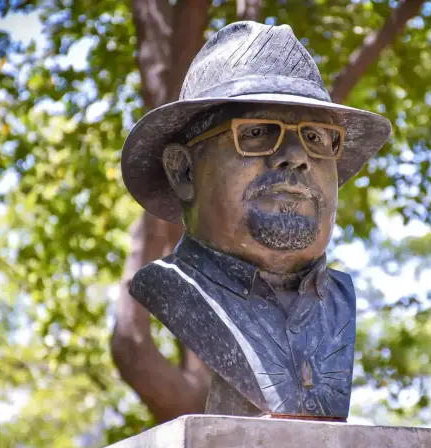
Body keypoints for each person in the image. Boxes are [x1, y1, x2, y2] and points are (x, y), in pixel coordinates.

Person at [121, 20, 391, 420]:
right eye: (258, 132)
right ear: (183, 171)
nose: (296, 156)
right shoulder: (173, 290)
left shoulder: (341, 302)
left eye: (316, 138)